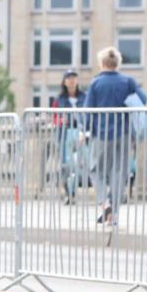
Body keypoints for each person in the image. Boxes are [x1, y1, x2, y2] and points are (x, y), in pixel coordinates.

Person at [82, 46, 147, 227]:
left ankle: (104, 203)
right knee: (119, 172)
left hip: (101, 133)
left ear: (101, 63)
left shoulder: (96, 83)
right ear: (117, 63)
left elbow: (88, 110)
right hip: (123, 133)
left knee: (96, 169)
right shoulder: (128, 81)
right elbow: (143, 99)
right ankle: (114, 214)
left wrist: (84, 130)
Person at [51, 69, 86, 204]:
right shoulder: (59, 99)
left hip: (82, 133)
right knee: (66, 165)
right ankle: (69, 193)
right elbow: (54, 117)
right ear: (64, 82)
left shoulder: (84, 97)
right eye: (69, 78)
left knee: (83, 163)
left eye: (74, 78)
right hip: (65, 133)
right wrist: (60, 121)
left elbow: (90, 115)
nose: (71, 81)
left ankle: (79, 190)